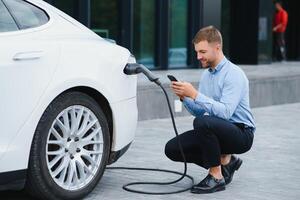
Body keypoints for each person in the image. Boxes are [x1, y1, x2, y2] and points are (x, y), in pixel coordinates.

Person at [164, 26, 255, 194]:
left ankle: (216, 177)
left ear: (217, 48)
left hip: (241, 133)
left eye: (202, 52)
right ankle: (227, 163)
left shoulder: (234, 74)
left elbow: (226, 113)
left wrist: (195, 94)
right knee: (172, 149)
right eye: (197, 52)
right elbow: (201, 111)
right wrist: (186, 97)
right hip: (217, 129)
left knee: (202, 123)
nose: (198, 57)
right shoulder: (207, 74)